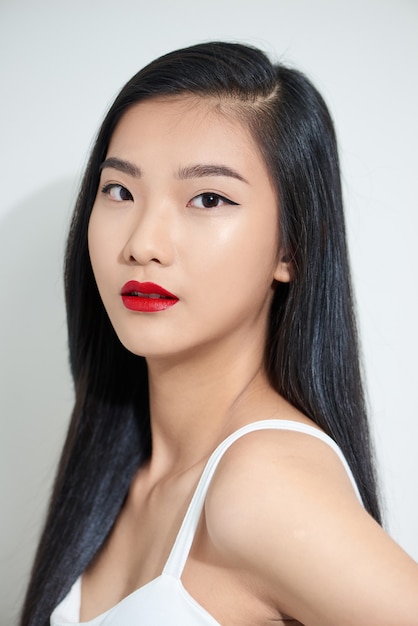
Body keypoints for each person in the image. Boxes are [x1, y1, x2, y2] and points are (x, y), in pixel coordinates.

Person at [20, 42, 418, 626]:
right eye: (120, 191)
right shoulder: (125, 468)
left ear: (291, 247)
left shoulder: (263, 485)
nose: (143, 244)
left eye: (208, 198)